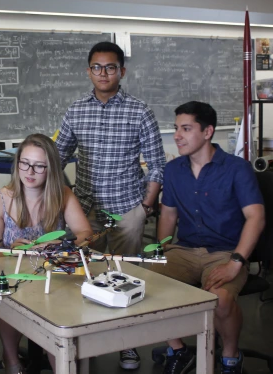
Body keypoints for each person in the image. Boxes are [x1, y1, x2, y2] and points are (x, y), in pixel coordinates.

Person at [55, 41, 166, 369]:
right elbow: (57, 156)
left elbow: (157, 165)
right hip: (86, 209)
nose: (103, 73)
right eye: (97, 67)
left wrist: (145, 208)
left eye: (111, 67)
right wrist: (65, 199)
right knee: (84, 274)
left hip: (127, 209)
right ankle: (86, 337)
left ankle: (127, 345)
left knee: (126, 276)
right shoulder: (76, 110)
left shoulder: (140, 110)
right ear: (88, 71)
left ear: (122, 71)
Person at [151, 101, 265, 374]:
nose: (177, 135)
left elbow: (256, 218)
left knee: (220, 300)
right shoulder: (174, 169)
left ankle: (230, 356)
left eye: (186, 128)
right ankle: (178, 350)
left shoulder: (237, 168)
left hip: (225, 253)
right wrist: (161, 252)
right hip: (185, 249)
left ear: (208, 132)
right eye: (176, 128)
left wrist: (236, 262)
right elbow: (168, 216)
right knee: (144, 286)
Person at [0, 133, 93, 374]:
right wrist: (13, 250)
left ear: (51, 168)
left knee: (68, 305)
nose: (29, 171)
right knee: (9, 294)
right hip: (14, 278)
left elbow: (85, 232)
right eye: (24, 163)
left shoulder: (62, 195)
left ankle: (63, 363)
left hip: (54, 276)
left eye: (39, 166)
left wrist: (60, 243)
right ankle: (11, 359)